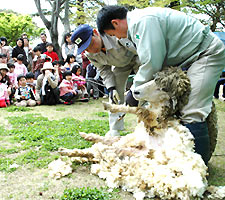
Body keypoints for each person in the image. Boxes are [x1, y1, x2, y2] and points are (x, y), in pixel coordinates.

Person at [96, 5, 225, 164]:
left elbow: (152, 62)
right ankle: (177, 155)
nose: (116, 37)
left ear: (115, 23)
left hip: (206, 54)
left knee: (192, 110)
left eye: (112, 34)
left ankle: (197, 167)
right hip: (188, 59)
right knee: (173, 108)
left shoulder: (144, 22)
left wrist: (134, 92)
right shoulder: (138, 24)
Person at [71, 24, 140, 136]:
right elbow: (103, 69)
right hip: (120, 66)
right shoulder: (90, 54)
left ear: (96, 32)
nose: (91, 50)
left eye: (91, 44)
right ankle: (114, 129)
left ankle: (151, 123)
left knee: (144, 90)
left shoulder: (114, 35)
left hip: (137, 59)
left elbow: (138, 49)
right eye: (86, 48)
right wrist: (111, 88)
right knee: (114, 96)